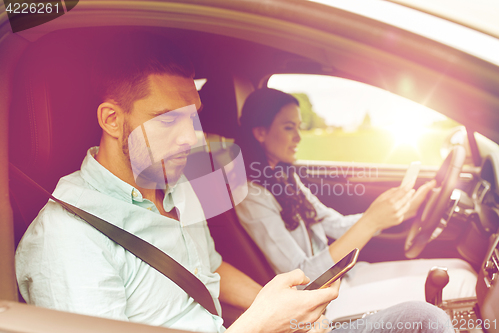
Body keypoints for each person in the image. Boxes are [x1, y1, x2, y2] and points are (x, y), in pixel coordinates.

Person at [15, 32, 453, 333]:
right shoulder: (66, 240)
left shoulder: (176, 186)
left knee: (422, 318)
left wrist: (284, 308)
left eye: (194, 117)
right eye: (168, 119)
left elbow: (209, 267)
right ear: (112, 120)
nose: (191, 138)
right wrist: (260, 322)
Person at [234, 88, 477, 319]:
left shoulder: (286, 177)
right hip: (322, 301)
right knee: (465, 284)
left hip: (342, 278)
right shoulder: (250, 196)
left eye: (299, 127)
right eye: (289, 128)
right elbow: (303, 278)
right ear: (260, 132)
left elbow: (336, 224)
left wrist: (402, 212)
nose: (298, 136)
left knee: (460, 267)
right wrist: (371, 221)